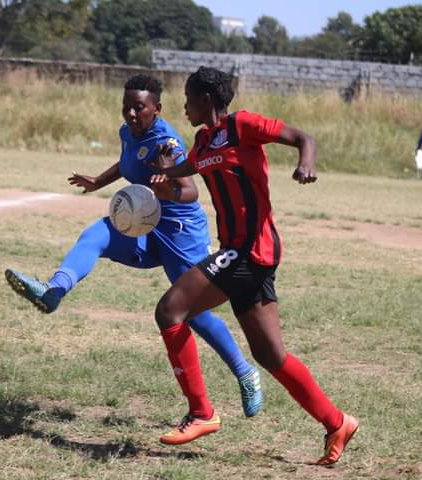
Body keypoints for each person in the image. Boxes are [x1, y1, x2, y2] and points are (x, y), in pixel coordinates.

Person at [4, 74, 264, 419]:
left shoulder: (167, 142)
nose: (130, 113)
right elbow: (129, 160)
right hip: (144, 225)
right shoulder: (128, 132)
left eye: (138, 107)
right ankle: (54, 290)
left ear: (156, 109)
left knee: (192, 313)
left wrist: (167, 187)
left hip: (180, 231)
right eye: (126, 106)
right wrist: (98, 181)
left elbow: (190, 192)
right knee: (96, 235)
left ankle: (245, 373)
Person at [148, 66, 358, 465]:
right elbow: (186, 170)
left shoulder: (242, 126)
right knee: (269, 354)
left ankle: (201, 412)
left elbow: (303, 138)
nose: (185, 106)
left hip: (250, 250)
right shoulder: (203, 141)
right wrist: (165, 174)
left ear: (206, 98)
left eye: (189, 99)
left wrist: (306, 163)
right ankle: (338, 422)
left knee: (170, 309)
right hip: (240, 252)